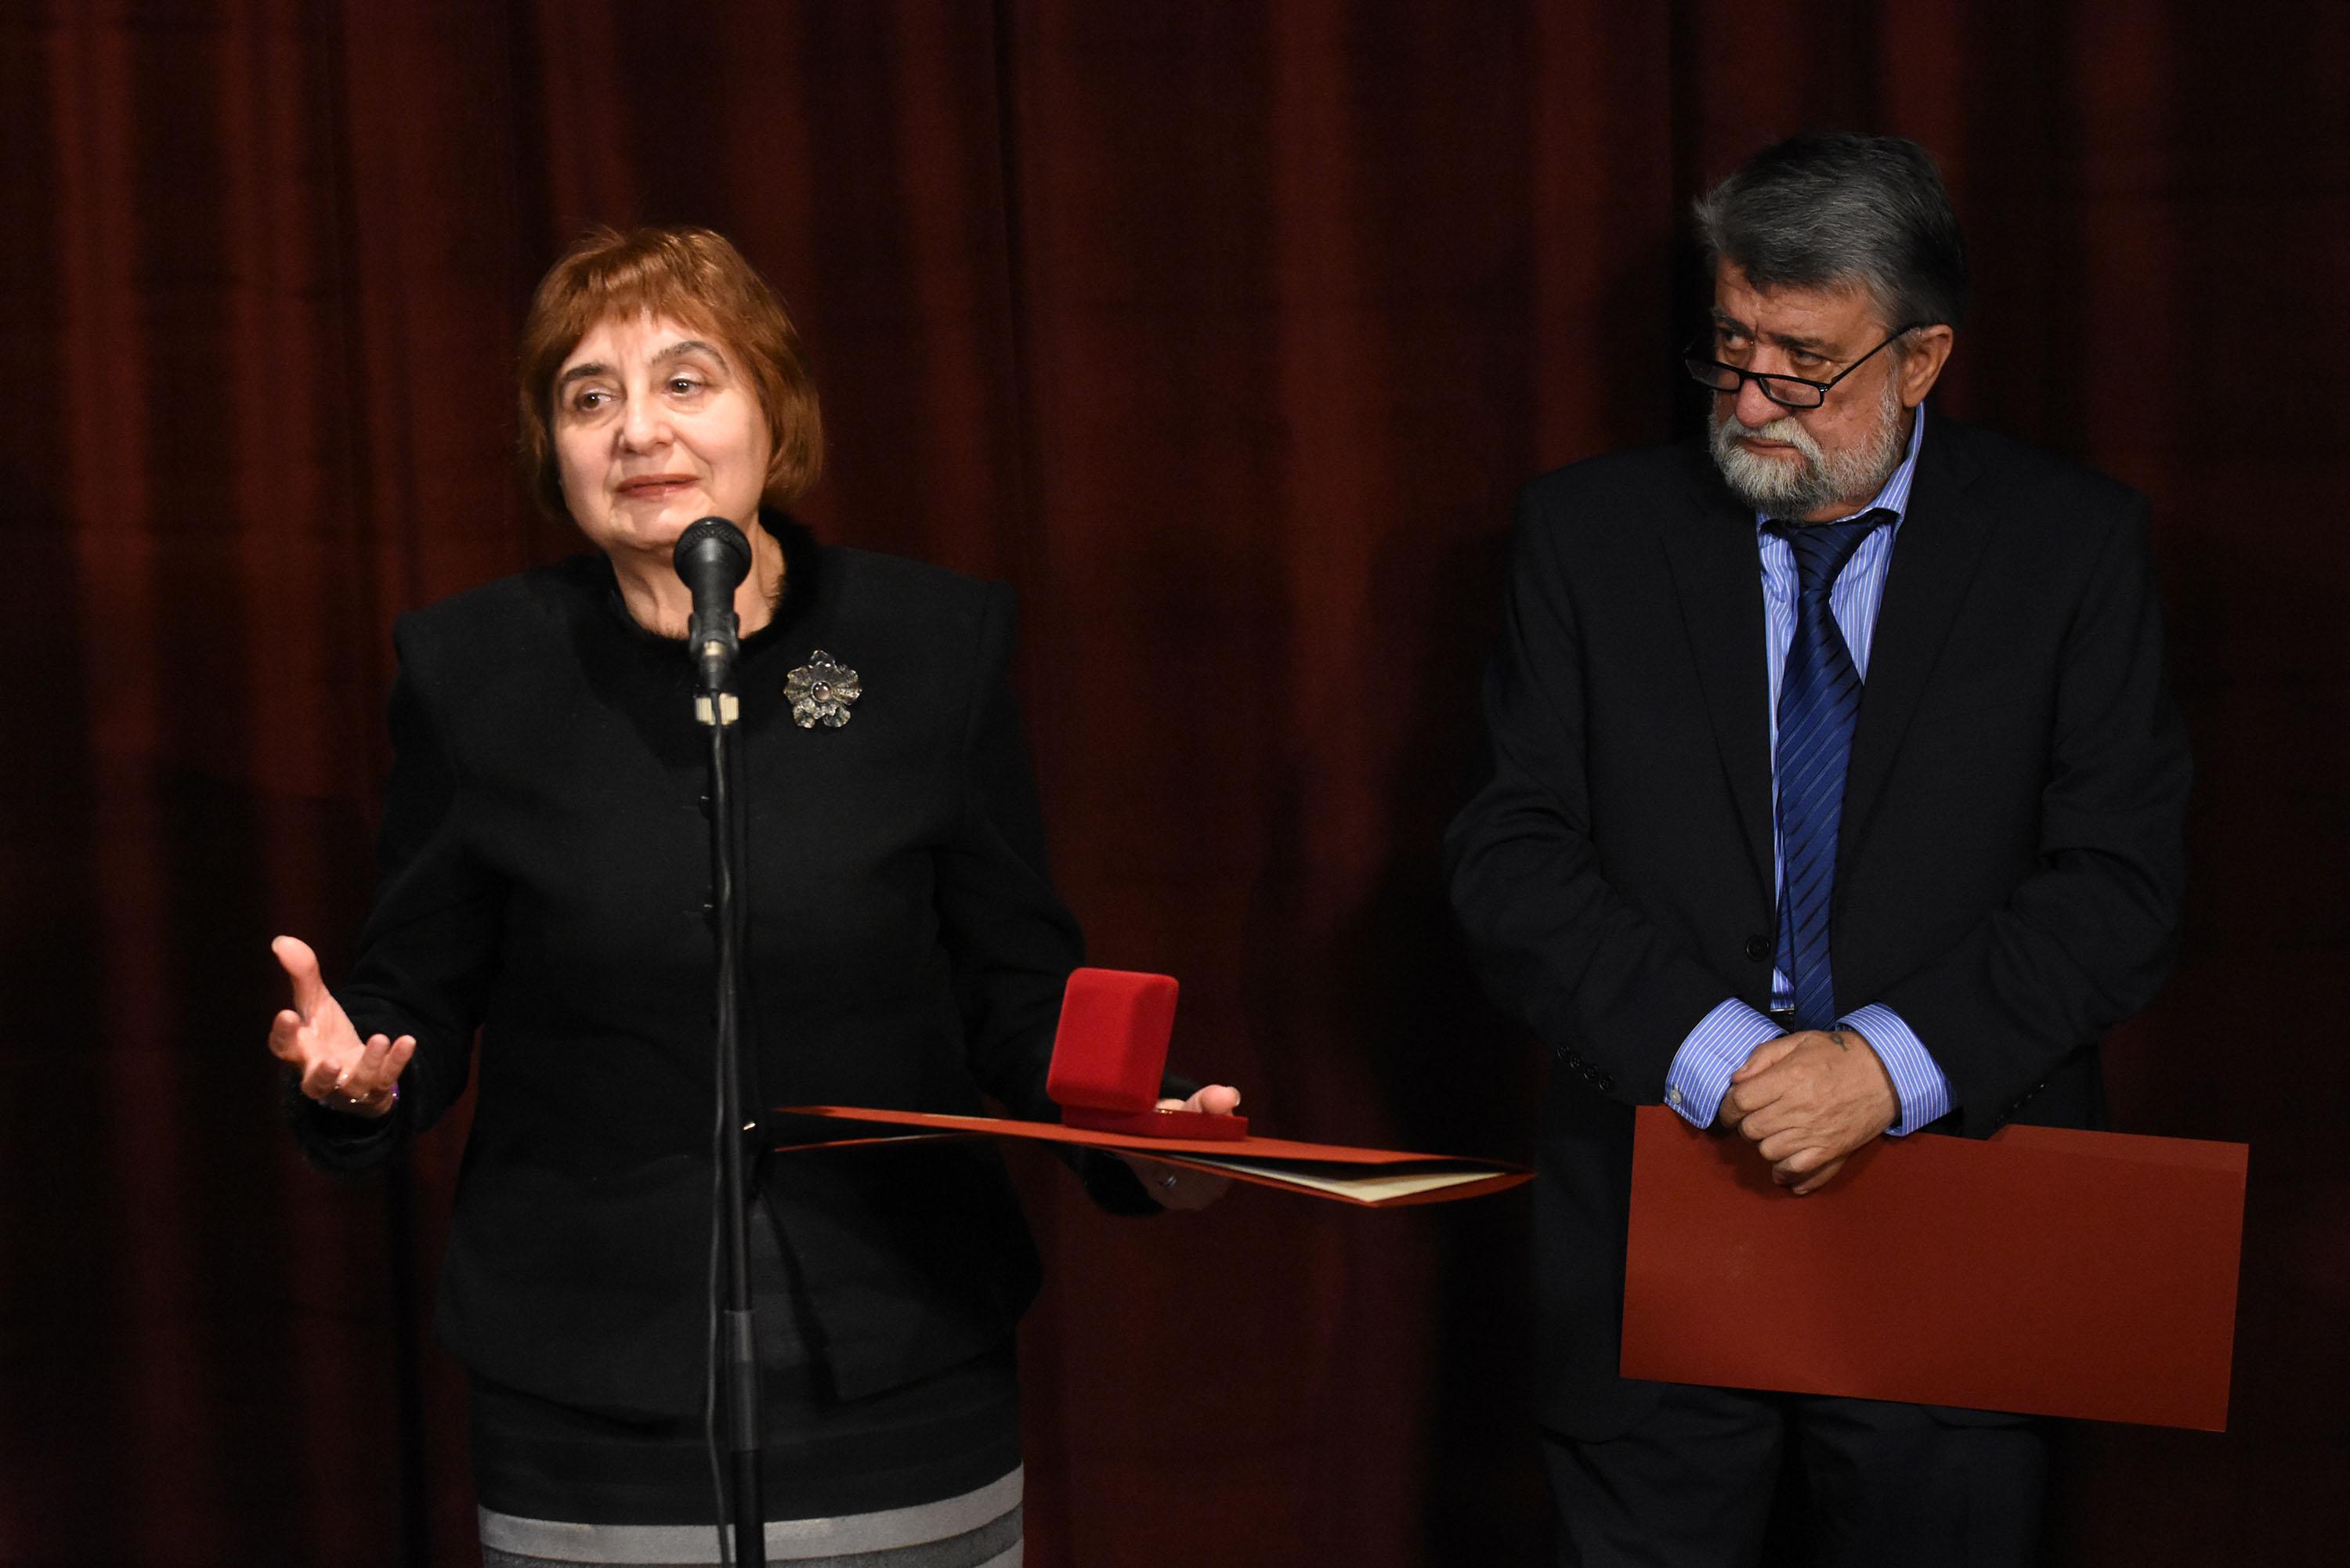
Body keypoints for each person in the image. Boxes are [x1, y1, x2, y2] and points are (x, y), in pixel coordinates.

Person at [267, 226, 1238, 1568]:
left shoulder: (929, 644)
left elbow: (1015, 986)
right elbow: (411, 992)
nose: (638, 430)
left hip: (902, 1349)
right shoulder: (475, 671)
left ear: (773, 412)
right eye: (589, 396)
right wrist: (356, 1078)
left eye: (686, 379)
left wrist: (1139, 1133)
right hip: (592, 1378)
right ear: (552, 447)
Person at [1445, 132, 2189, 1566]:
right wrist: (1726, 1058)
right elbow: (1508, 857)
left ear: (1922, 361)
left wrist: (1881, 1068)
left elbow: (2121, 887)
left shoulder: (2073, 547)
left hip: (1961, 1214)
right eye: (1732, 346)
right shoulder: (1586, 536)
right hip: (1658, 1212)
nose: (1750, 398)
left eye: (1803, 362)